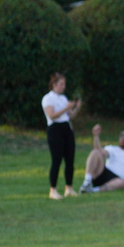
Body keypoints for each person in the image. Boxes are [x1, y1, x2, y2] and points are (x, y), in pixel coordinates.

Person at [42, 72, 81, 200]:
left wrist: (76, 108)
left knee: (70, 159)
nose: (64, 86)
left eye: (64, 84)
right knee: (56, 160)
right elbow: (52, 115)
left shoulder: (63, 98)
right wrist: (67, 108)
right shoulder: (48, 98)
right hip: (55, 130)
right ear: (54, 84)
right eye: (61, 84)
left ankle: (68, 187)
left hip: (66, 129)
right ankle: (53, 189)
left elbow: (70, 116)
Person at [80, 125, 124, 193]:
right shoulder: (112, 149)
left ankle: (93, 190)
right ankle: (87, 182)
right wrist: (96, 136)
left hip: (119, 179)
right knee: (95, 152)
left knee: (122, 183)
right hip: (104, 173)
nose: (123, 139)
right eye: (121, 137)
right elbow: (99, 151)